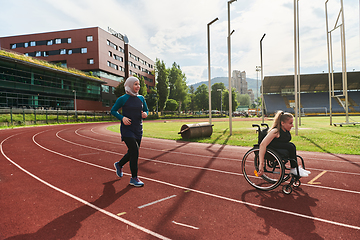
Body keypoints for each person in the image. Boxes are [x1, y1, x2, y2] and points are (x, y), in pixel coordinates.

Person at [111, 76, 149, 187]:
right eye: (135, 84)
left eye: (139, 84)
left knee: (132, 152)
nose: (138, 86)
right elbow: (113, 111)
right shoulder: (122, 99)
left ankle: (119, 164)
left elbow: (146, 109)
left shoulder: (141, 98)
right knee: (135, 151)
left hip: (138, 129)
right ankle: (134, 178)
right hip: (127, 129)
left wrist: (145, 114)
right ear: (129, 85)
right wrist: (122, 118)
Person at [257, 111, 311, 177]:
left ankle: (295, 168)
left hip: (279, 147)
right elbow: (262, 145)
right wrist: (261, 164)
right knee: (291, 146)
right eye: (290, 123)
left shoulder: (286, 131)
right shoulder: (275, 131)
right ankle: (293, 169)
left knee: (291, 146)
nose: (292, 125)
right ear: (282, 123)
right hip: (270, 149)